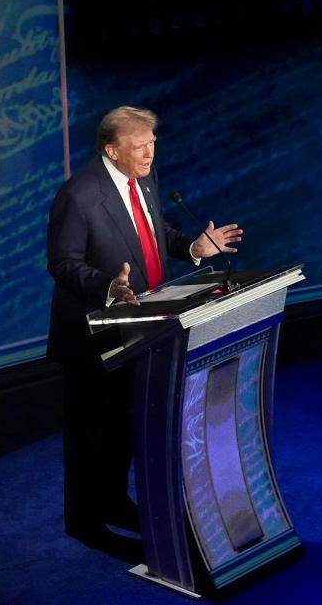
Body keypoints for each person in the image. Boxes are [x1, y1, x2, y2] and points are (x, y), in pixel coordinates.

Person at [46, 106, 242, 550]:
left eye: (153, 144)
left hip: (142, 326)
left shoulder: (143, 179)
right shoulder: (78, 196)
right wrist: (108, 288)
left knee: (122, 426)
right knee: (90, 431)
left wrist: (191, 246)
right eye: (140, 147)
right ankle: (84, 523)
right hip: (92, 335)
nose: (150, 154)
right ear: (111, 149)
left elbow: (155, 230)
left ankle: (114, 501)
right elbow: (62, 263)